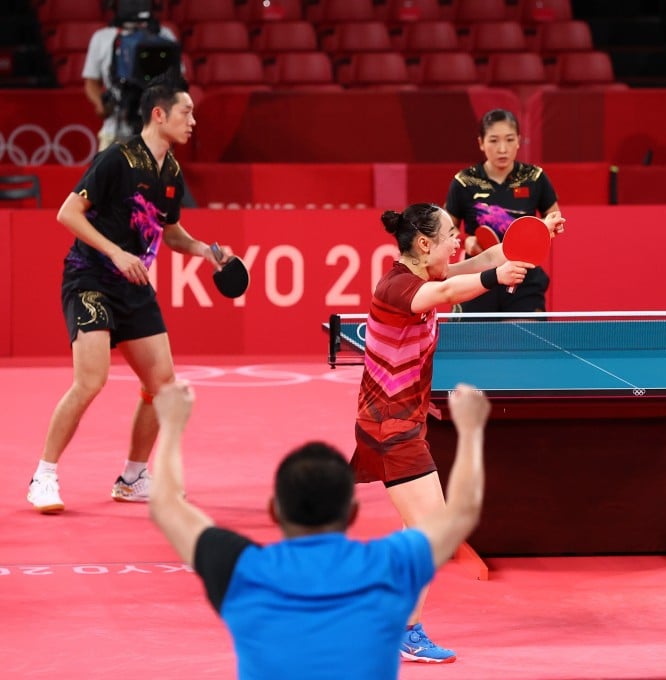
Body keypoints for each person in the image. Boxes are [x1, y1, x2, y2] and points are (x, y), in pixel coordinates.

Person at [147, 380, 493, 680]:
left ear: (274, 510)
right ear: (353, 511)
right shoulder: (387, 567)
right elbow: (461, 514)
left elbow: (166, 504)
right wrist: (471, 430)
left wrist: (172, 424)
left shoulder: (243, 570)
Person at [353, 202, 564, 662]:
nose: (457, 240)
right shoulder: (397, 287)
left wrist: (531, 238)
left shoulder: (425, 271)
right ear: (425, 244)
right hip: (390, 427)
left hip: (402, 421)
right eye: (450, 234)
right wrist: (494, 279)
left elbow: (479, 261)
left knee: (418, 531)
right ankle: (401, 628)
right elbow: (449, 289)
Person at [26, 72, 234, 514]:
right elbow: (68, 213)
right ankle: (43, 475)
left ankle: (133, 476)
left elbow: (170, 232)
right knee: (91, 380)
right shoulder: (116, 159)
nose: (193, 120)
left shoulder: (171, 171)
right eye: (186, 111)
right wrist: (117, 252)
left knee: (163, 386)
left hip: (133, 286)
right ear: (159, 115)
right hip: (90, 278)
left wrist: (205, 251)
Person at [445, 108, 562, 315]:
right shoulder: (464, 181)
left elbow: (553, 215)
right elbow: (447, 228)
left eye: (509, 140)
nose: (502, 149)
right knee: (469, 343)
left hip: (524, 276)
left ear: (518, 141)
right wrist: (465, 240)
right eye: (493, 141)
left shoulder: (535, 177)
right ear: (481, 142)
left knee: (526, 344)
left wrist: (550, 225)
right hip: (478, 277)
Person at [82, 0, 181, 151]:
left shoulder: (165, 36)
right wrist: (100, 104)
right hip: (115, 130)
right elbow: (91, 82)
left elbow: (178, 80)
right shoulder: (102, 38)